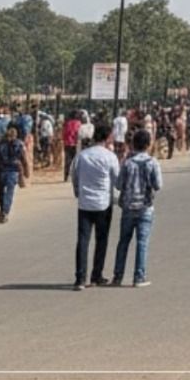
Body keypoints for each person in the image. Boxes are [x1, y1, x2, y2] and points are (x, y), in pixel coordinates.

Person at [71, 122, 120, 290]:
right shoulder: (109, 156)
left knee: (83, 240)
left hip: (85, 203)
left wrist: (78, 192)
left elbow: (74, 175)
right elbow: (117, 180)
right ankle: (96, 274)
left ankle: (80, 278)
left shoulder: (82, 155)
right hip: (103, 203)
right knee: (101, 239)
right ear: (108, 137)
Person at [113, 129, 163, 287]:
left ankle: (118, 276)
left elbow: (118, 185)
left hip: (128, 207)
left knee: (123, 242)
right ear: (148, 144)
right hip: (145, 207)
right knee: (142, 243)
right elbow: (158, 185)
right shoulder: (152, 163)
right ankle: (138, 276)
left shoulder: (127, 163)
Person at [0, 126, 30, 224]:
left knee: (1, 193)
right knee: (9, 193)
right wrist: (27, 172)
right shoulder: (19, 144)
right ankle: (5, 212)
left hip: (0, 171)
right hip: (13, 172)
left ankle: (2, 210)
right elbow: (24, 159)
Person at [63, 111, 82, 181]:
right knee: (76, 160)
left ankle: (66, 176)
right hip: (75, 144)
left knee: (67, 160)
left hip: (67, 143)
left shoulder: (67, 123)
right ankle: (75, 176)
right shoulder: (78, 123)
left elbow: (64, 133)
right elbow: (78, 133)